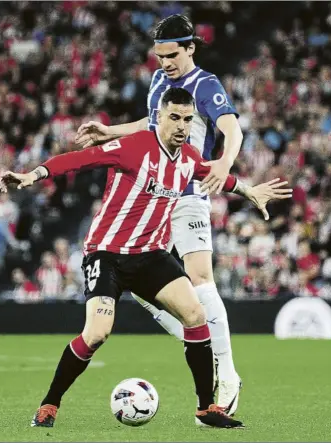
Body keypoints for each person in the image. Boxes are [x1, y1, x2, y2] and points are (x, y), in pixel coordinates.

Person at [0, 88, 292, 429]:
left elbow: (218, 177)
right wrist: (32, 175)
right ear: (159, 118)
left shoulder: (188, 159)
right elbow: (78, 160)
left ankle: (206, 408)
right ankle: (49, 404)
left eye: (188, 120)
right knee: (97, 334)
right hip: (107, 254)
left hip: (150, 256)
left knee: (196, 315)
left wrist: (249, 190)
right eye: (174, 118)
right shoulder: (134, 146)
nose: (181, 126)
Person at [75, 14, 245, 413]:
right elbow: (149, 125)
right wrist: (110, 131)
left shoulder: (205, 85)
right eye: (159, 55)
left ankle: (226, 370)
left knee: (200, 277)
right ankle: (200, 338)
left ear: (190, 48)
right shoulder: (158, 83)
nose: (164, 62)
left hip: (188, 193)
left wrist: (223, 162)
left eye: (171, 55)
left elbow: (232, 128)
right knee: (138, 284)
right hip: (154, 196)